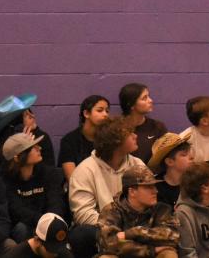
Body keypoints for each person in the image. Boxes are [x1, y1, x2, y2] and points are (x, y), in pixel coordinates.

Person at [68, 117, 145, 258]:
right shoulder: (85, 170)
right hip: (103, 231)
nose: (136, 136)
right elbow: (83, 214)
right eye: (130, 134)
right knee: (81, 234)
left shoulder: (138, 165)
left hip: (134, 227)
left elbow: (148, 202)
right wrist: (116, 229)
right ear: (116, 142)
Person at [97, 165, 179, 258]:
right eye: (148, 187)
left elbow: (173, 237)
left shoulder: (162, 209)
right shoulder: (112, 211)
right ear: (132, 192)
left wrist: (136, 232)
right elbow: (108, 244)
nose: (155, 191)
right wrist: (149, 250)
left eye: (154, 186)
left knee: (169, 254)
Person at [0, 133, 66, 243]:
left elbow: (56, 202)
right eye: (32, 147)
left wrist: (49, 223)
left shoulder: (48, 173)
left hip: (49, 224)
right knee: (21, 229)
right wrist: (42, 222)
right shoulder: (5, 181)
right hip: (26, 227)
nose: (39, 148)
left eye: (37, 145)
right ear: (17, 157)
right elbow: (17, 211)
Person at [0, 94, 55, 170]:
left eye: (30, 111)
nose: (33, 116)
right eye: (26, 115)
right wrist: (23, 147)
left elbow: (49, 170)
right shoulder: (1, 145)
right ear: (17, 123)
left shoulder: (41, 137)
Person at [58, 95, 110, 181]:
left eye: (107, 111)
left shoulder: (109, 140)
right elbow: (72, 179)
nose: (105, 114)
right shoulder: (69, 141)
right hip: (80, 189)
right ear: (86, 113)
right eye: (100, 110)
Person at [119, 83, 168, 165]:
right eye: (144, 98)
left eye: (148, 96)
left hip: (151, 175)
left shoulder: (157, 127)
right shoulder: (116, 128)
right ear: (131, 104)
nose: (150, 100)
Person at [147, 131, 194, 207]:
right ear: (169, 162)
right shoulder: (156, 188)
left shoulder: (196, 180)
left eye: (189, 153)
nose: (191, 157)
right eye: (184, 155)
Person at [2, 212, 73, 258]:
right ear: (37, 240)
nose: (55, 254)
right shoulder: (16, 255)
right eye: (52, 249)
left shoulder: (61, 252)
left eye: (59, 246)